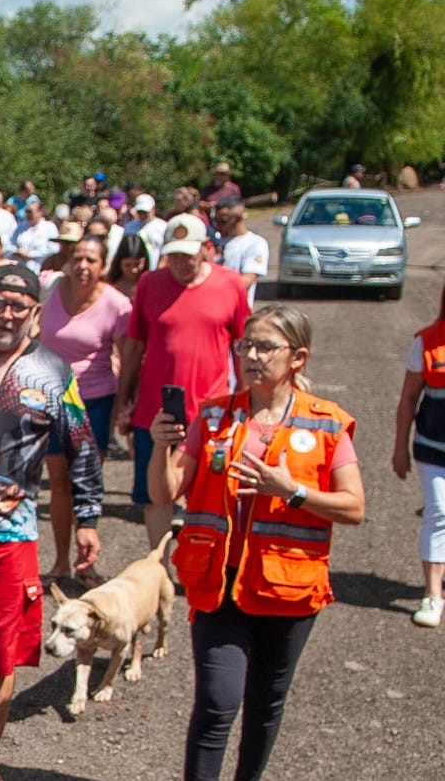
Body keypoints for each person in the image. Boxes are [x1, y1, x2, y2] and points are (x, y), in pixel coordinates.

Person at [148, 305, 364, 781]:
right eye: (247, 345)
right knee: (217, 703)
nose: (252, 356)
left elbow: (354, 507)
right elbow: (165, 492)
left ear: (298, 358)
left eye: (266, 347)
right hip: (218, 585)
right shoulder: (214, 415)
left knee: (266, 703)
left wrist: (292, 491)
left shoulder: (326, 424)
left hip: (287, 590)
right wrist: (161, 446)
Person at [0, 265, 103, 781]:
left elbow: (82, 444)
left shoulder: (54, 371)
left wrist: (88, 515)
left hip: (10, 533)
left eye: (20, 306)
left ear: (36, 314)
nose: (7, 314)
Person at [117, 214, 251, 549]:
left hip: (213, 411)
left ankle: (201, 570)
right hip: (155, 410)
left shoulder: (230, 284)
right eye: (173, 255)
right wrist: (124, 401)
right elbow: (135, 345)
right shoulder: (149, 283)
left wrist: (247, 400)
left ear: (206, 249)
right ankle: (157, 572)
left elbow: (243, 347)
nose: (180, 263)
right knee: (156, 496)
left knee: (208, 497)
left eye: (187, 255)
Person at [40, 232, 132, 581]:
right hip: (49, 398)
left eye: (91, 260)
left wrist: (124, 405)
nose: (82, 266)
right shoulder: (48, 287)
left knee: (86, 483)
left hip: (94, 400)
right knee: (59, 482)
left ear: (104, 265)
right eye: (77, 257)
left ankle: (86, 563)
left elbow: (126, 357)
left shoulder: (117, 304)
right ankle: (61, 563)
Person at [393, 281, 445, 627]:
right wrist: (399, 448)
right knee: (439, 514)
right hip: (433, 447)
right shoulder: (426, 340)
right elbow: (409, 397)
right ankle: (433, 595)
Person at [213, 198, 270, 307]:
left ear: (238, 218)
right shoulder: (215, 241)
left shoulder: (255, 243)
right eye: (215, 220)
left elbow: (246, 281)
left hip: (235, 309)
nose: (217, 225)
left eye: (223, 221)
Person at [120, 193, 166, 269]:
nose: (142, 215)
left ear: (153, 209)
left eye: (145, 212)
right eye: (140, 211)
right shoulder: (129, 227)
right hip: (134, 270)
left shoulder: (163, 227)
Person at [11, 201, 58, 272]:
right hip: (20, 269)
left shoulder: (49, 227)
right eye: (26, 211)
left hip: (40, 269)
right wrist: (16, 251)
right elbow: (10, 244)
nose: (28, 214)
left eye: (30, 212)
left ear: (40, 212)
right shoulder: (21, 227)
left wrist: (31, 254)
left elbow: (54, 249)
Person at [106, 232, 151, 301]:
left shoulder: (151, 285)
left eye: (137, 264)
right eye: (127, 265)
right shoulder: (109, 286)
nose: (133, 270)